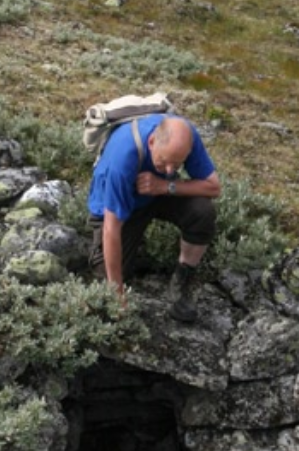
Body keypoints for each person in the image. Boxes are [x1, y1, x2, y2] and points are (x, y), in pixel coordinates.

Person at [88, 113, 220, 322]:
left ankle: (182, 280)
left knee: (202, 212)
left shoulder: (186, 137)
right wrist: (117, 293)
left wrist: (165, 185)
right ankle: (132, 255)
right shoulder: (123, 158)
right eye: (164, 163)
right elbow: (111, 228)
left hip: (157, 193)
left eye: (177, 165)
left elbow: (213, 187)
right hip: (121, 206)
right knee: (109, 275)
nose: (169, 170)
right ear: (151, 142)